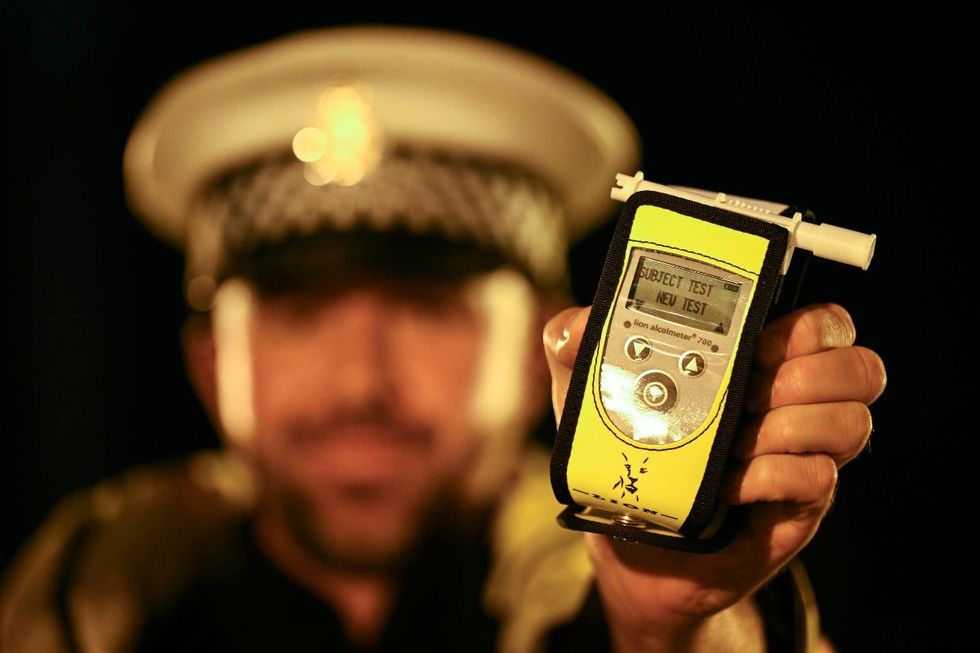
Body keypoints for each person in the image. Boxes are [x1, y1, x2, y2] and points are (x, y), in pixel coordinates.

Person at [0, 25, 885, 653]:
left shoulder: (591, 597)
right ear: (207, 363)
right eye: (300, 316)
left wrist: (672, 625)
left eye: (428, 310)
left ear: (548, 342)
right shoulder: (88, 593)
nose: (360, 382)